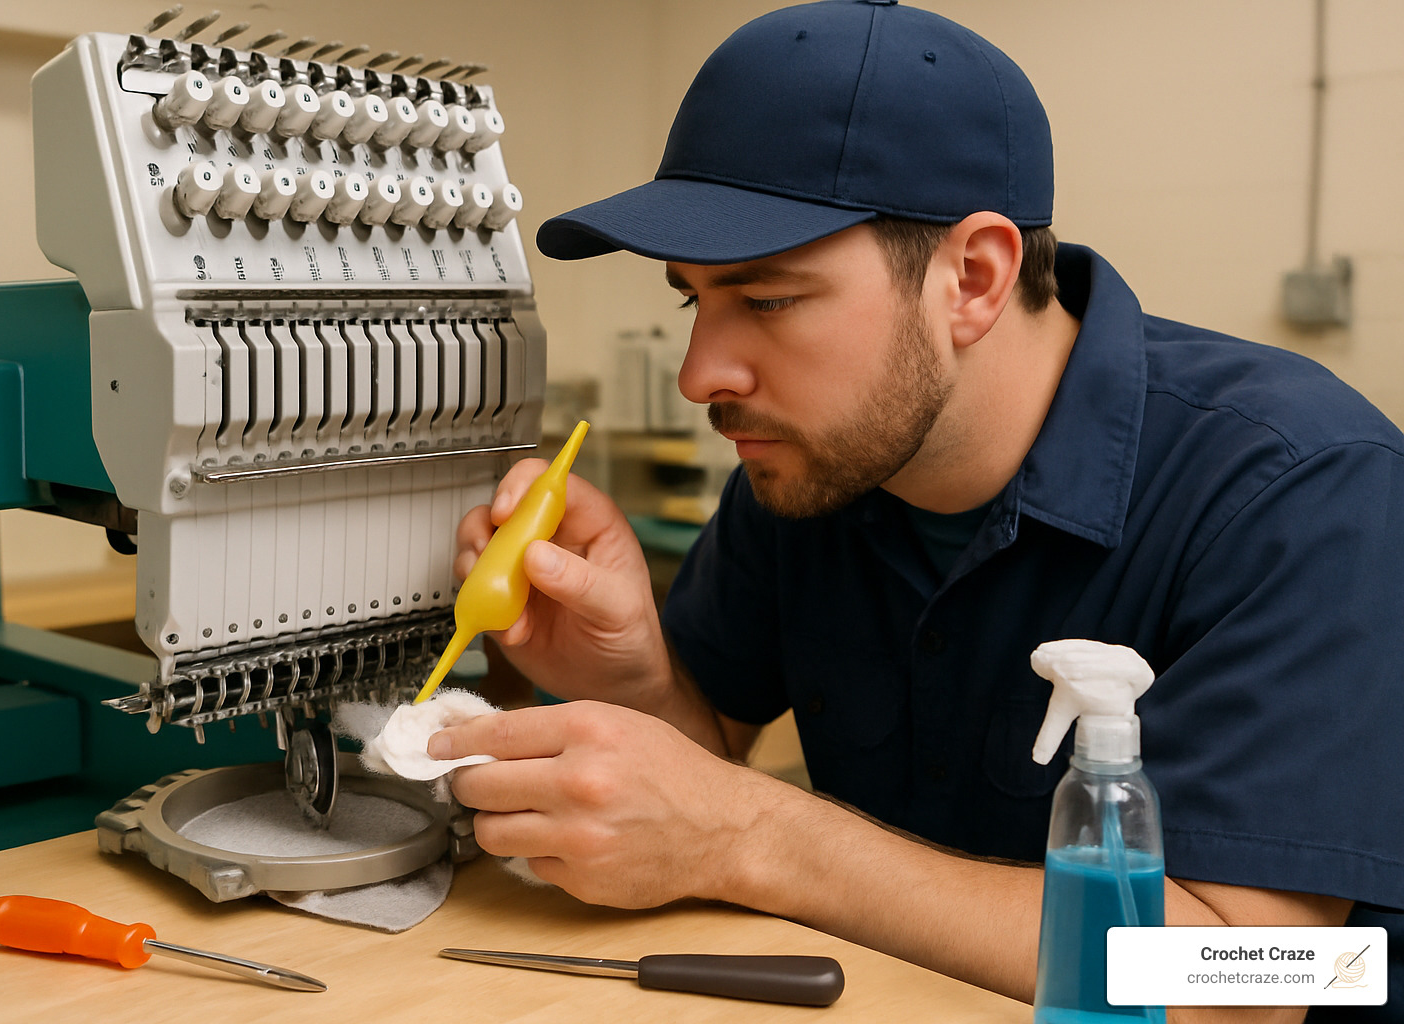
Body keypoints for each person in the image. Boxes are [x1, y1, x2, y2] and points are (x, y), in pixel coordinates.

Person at [425, 2, 1404, 1020]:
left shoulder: (1304, 488)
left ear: (973, 279)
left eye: (765, 302)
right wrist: (628, 675)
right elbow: (698, 773)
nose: (699, 373)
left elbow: (1253, 982)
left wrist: (760, 836)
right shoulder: (818, 463)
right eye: (692, 301)